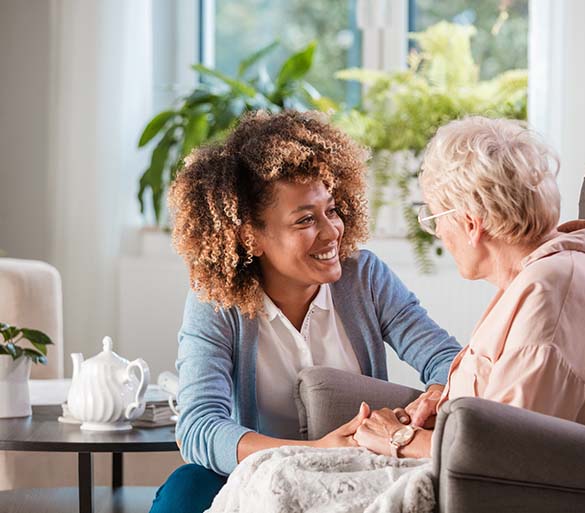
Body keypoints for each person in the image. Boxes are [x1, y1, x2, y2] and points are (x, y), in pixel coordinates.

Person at [148, 110, 461, 513]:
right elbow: (199, 427)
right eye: (306, 220)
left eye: (331, 210)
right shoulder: (216, 300)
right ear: (250, 236)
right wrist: (310, 451)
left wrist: (432, 400)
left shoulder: (364, 277)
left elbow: (446, 360)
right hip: (257, 474)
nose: (332, 231)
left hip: (355, 472)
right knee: (186, 489)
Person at [353, 116, 585, 458]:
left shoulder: (551, 296)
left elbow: (504, 453)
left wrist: (399, 439)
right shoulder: (559, 267)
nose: (439, 233)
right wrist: (444, 401)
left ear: (471, 224)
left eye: (434, 218)